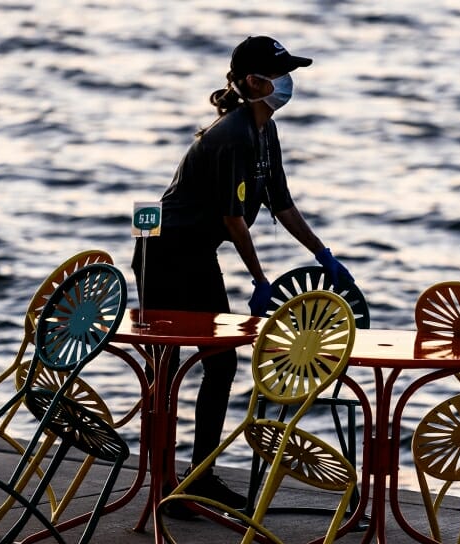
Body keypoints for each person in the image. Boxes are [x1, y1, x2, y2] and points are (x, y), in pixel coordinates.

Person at [132, 35, 353, 513]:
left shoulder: (264, 131)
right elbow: (234, 222)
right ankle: (170, 484)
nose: (287, 82)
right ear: (253, 82)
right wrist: (259, 279)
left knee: (218, 364)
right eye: (279, 74)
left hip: (196, 253)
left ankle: (195, 478)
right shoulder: (231, 135)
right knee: (169, 371)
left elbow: (283, 204)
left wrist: (324, 253)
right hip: (164, 253)